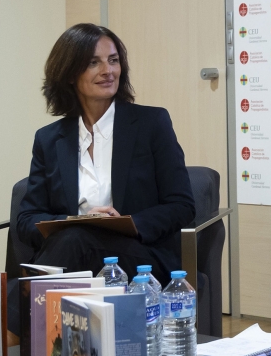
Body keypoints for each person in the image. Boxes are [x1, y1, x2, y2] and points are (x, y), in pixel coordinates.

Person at [16, 24, 196, 286]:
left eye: (113, 60)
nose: (108, 71)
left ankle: (20, 320)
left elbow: (182, 206)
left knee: (71, 243)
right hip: (71, 257)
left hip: (138, 256)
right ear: (68, 73)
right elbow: (26, 220)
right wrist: (73, 221)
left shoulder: (152, 123)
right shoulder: (49, 139)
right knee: (74, 238)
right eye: (93, 63)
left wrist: (127, 223)